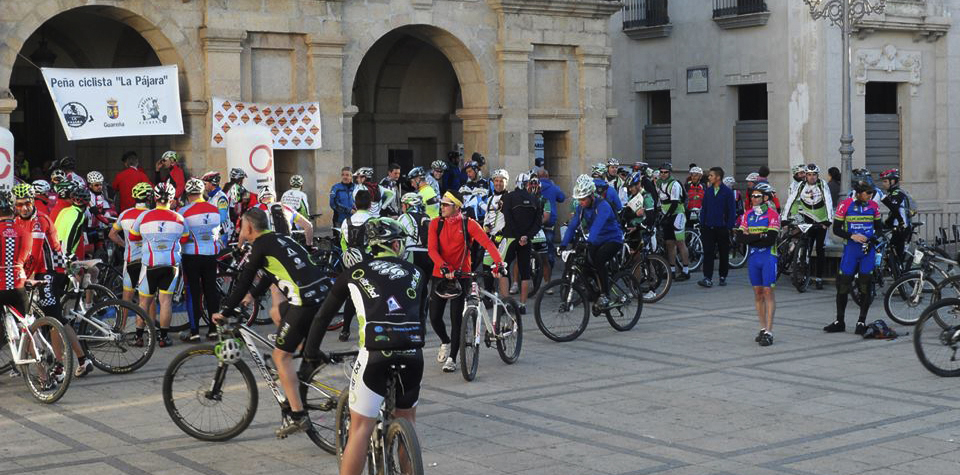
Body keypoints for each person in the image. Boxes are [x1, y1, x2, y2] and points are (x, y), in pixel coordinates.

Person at [302, 218, 426, 475]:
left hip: (374, 353)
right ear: (395, 244)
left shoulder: (354, 273)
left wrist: (311, 354)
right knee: (407, 421)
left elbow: (323, 316)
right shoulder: (416, 273)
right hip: (413, 353)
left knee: (360, 428)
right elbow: (419, 314)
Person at [213, 207, 328, 438]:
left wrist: (225, 311)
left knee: (279, 356)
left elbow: (244, 279)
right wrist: (252, 296)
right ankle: (307, 355)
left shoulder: (259, 246)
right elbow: (268, 274)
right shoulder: (279, 239)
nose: (240, 230)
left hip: (304, 301)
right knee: (278, 313)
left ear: (249, 227)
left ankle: (297, 415)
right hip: (323, 295)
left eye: (241, 226)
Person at [12, 184, 92, 376]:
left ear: (34, 201)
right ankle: (80, 359)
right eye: (20, 204)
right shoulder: (16, 221)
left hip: (51, 271)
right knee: (43, 318)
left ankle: (61, 364)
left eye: (28, 203)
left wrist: (22, 275)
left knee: (53, 318)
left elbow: (37, 253)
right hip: (37, 273)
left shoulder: (39, 220)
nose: (24, 207)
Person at [428, 190, 503, 373]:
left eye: (446, 204)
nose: (442, 207)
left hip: (462, 275)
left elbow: (487, 243)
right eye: (442, 204)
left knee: (456, 318)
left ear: (456, 207)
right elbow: (432, 250)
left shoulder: (468, 223)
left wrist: (499, 263)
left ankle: (453, 357)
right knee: (434, 317)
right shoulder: (435, 224)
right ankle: (445, 341)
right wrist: (444, 267)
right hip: (441, 274)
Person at [129, 182, 189, 347]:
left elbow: (133, 237)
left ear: (154, 198)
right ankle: (164, 338)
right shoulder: (179, 217)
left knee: (144, 302)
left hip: (149, 264)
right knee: (166, 301)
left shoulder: (144, 216)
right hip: (171, 264)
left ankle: (138, 337)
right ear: (172, 198)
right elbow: (185, 238)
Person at [824, 180, 883, 335]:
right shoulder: (845, 204)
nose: (871, 196)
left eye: (872, 193)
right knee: (843, 285)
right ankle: (839, 321)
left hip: (867, 251)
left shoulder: (873, 206)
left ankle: (861, 322)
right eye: (868, 193)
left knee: (865, 285)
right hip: (850, 249)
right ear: (858, 193)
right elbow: (836, 229)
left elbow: (879, 228)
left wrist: (871, 238)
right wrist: (852, 236)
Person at [560, 175, 624, 308]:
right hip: (597, 240)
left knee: (599, 259)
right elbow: (572, 226)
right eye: (579, 199)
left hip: (613, 239)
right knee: (584, 264)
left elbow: (597, 226)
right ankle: (596, 291)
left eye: (583, 199)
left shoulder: (603, 206)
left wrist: (589, 241)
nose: (581, 202)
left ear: (591, 196)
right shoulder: (581, 208)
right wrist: (563, 244)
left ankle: (605, 294)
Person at [178, 178, 223, 342]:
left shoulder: (183, 211)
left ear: (188, 194)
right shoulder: (214, 209)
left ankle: (194, 331)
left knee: (193, 293)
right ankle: (213, 330)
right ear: (202, 192)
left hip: (191, 256)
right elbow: (218, 233)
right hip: (211, 255)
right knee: (211, 291)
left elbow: (182, 235)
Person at [109, 182, 153, 347]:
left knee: (126, 298)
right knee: (147, 299)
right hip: (147, 261)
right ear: (149, 198)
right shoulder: (152, 214)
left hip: (130, 260)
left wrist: (125, 245)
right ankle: (146, 331)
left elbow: (112, 234)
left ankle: (119, 330)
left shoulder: (125, 214)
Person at [736, 183, 780, 346]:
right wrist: (759, 236)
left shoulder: (773, 215)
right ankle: (762, 328)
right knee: (758, 293)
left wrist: (752, 236)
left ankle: (769, 331)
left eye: (757, 196)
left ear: (765, 198)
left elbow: (770, 239)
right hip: (754, 258)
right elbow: (739, 238)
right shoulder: (747, 215)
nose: (753, 198)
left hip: (769, 257)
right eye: (752, 196)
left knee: (768, 292)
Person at [782, 164, 834, 289]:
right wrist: (784, 218)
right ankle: (804, 274)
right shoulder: (800, 186)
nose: (811, 177)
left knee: (820, 248)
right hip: (807, 218)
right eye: (809, 175)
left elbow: (828, 201)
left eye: (814, 174)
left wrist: (828, 220)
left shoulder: (822, 185)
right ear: (806, 175)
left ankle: (819, 278)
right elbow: (790, 200)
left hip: (821, 220)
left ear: (817, 175)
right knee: (807, 247)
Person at [501, 173, 542, 313]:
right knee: (525, 272)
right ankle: (523, 305)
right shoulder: (535, 200)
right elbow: (538, 223)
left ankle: (506, 302)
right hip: (526, 240)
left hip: (511, 237)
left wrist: (518, 235)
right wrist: (526, 236)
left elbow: (508, 218)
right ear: (527, 184)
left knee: (503, 268)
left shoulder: (509, 197)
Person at [339, 189, 375, 342]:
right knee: (371, 296)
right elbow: (375, 243)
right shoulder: (373, 220)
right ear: (370, 204)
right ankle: (370, 330)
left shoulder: (345, 222)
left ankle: (345, 330)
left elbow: (342, 243)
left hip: (350, 263)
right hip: (368, 262)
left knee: (350, 296)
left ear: (355, 204)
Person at [698, 167, 737, 288]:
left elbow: (732, 210)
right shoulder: (708, 191)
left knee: (723, 253)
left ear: (718, 177)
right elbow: (704, 208)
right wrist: (702, 223)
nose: (709, 177)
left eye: (711, 175)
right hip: (708, 227)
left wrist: (729, 226)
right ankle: (707, 277)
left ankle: (722, 276)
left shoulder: (727, 192)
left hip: (722, 227)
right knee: (708, 252)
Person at [656, 162, 691, 281]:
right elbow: (660, 201)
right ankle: (671, 270)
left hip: (677, 214)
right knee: (669, 243)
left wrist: (667, 217)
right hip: (667, 214)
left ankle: (686, 271)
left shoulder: (674, 184)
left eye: (666, 172)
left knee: (680, 242)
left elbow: (675, 202)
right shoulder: (659, 183)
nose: (663, 174)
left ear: (669, 173)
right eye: (661, 172)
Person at [879, 168, 913, 268]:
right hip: (898, 227)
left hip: (901, 227)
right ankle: (896, 272)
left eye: (885, 181)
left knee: (896, 255)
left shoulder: (897, 194)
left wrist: (887, 222)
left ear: (892, 181)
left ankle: (900, 277)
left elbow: (895, 210)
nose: (883, 184)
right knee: (894, 253)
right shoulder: (895, 193)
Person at [536, 168, 565, 282]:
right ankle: (547, 275)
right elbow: (562, 198)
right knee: (549, 250)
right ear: (547, 176)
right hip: (549, 223)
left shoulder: (534, 186)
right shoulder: (553, 187)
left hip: (536, 222)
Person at [201, 171, 231, 242]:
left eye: (205, 183)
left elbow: (222, 217)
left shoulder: (221, 197)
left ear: (212, 183)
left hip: (221, 234)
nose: (204, 186)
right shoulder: (211, 197)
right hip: (215, 233)